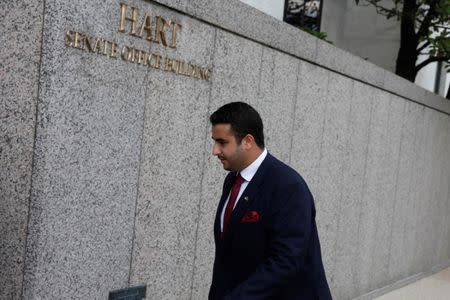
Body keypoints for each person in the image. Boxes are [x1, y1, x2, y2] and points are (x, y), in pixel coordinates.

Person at [208, 102, 332, 300]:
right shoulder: (233, 180)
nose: (215, 150)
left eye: (222, 142)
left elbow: (286, 261)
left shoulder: (289, 186)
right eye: (214, 142)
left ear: (248, 141)